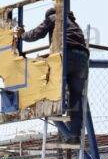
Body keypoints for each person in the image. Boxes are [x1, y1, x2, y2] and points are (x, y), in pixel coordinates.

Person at [18, 7, 89, 143]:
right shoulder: (75, 24)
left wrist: (21, 35)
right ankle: (75, 135)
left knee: (51, 85)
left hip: (67, 54)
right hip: (83, 59)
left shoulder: (54, 17)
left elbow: (36, 34)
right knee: (76, 97)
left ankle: (56, 109)